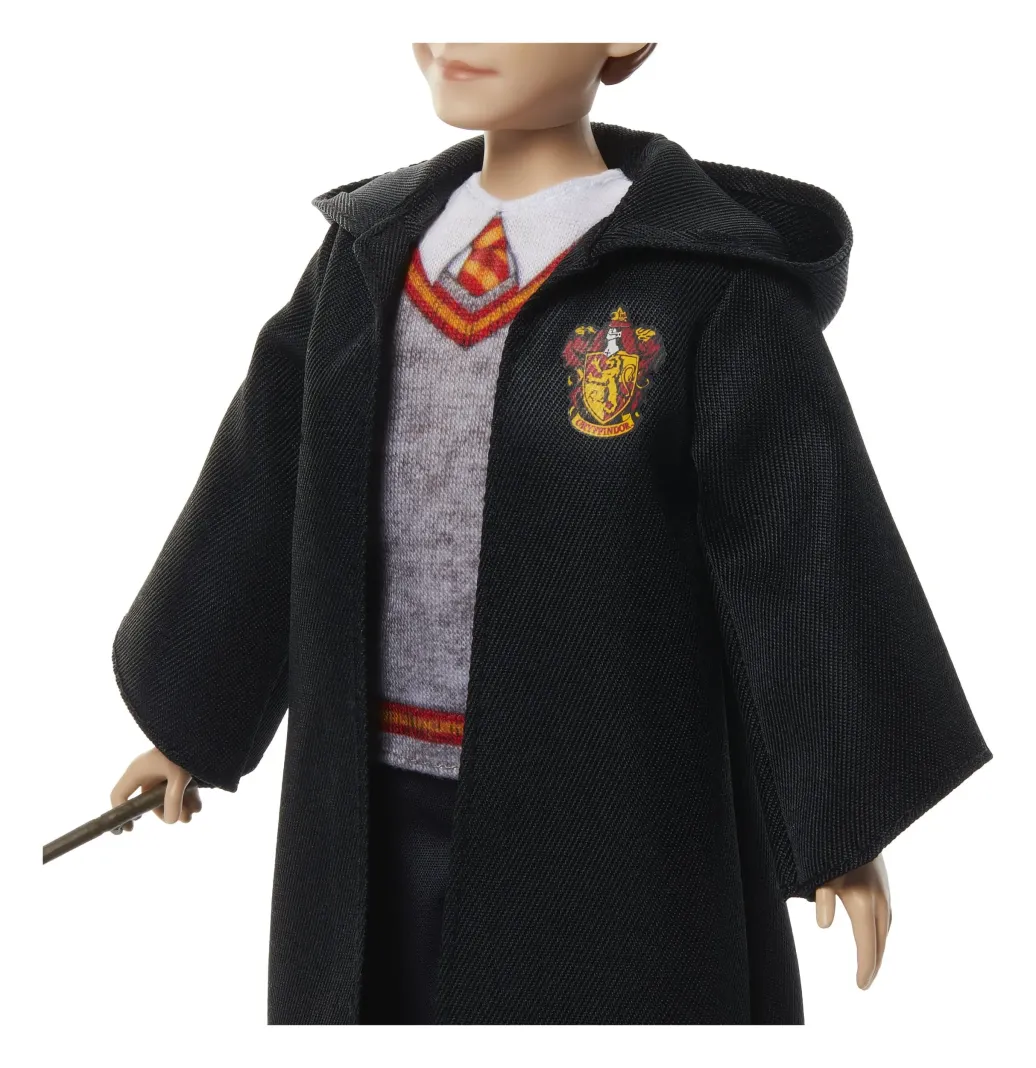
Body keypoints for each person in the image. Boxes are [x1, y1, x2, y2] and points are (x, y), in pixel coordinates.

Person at [108, 42, 991, 1024]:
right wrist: (190, 720)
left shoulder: (698, 283)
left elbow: (796, 541)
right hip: (363, 803)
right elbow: (268, 481)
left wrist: (841, 816)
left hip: (606, 812)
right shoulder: (368, 253)